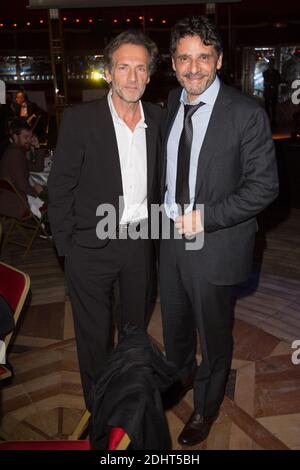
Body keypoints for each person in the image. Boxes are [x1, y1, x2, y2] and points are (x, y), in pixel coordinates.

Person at [160, 16, 279, 446]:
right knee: (173, 324)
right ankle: (179, 378)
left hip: (214, 242)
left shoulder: (246, 113)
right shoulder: (171, 102)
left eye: (204, 58)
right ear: (173, 63)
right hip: (170, 239)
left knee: (212, 335)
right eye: (185, 58)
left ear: (219, 60)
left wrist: (205, 217)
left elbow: (265, 186)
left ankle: (206, 406)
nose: (194, 68)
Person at [48, 30, 162, 411]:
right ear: (109, 73)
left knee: (133, 333)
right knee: (94, 340)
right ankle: (102, 415)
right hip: (89, 249)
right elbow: (60, 188)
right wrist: (68, 249)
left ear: (149, 75)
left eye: (141, 68)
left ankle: (129, 404)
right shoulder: (80, 120)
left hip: (138, 246)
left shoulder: (159, 120)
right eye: (124, 67)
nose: (132, 77)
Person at [0, 119, 44, 219]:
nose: (29, 140)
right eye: (26, 137)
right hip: (16, 202)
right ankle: (49, 225)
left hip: (9, 199)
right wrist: (36, 191)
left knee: (49, 191)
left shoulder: (15, 151)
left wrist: (37, 146)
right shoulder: (15, 154)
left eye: (30, 137)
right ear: (15, 137)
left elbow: (37, 168)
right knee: (54, 193)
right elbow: (22, 186)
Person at [263, 58, 281, 128]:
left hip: (274, 92)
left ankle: (273, 121)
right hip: (267, 92)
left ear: (273, 64)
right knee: (267, 107)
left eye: (271, 63)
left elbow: (278, 81)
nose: (270, 65)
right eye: (269, 63)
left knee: (274, 108)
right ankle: (268, 121)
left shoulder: (276, 72)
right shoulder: (265, 72)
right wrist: (271, 83)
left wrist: (271, 83)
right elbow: (266, 82)